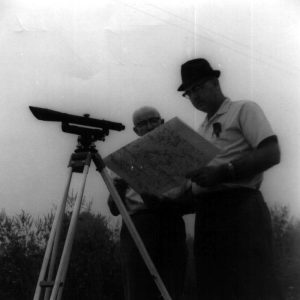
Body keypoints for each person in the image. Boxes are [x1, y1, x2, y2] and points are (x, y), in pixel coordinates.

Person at [177, 58, 283, 300]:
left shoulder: (244, 109)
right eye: (189, 93)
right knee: (214, 287)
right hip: (207, 216)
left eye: (198, 88)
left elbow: (271, 152)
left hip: (241, 210)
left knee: (254, 285)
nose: (194, 96)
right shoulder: (201, 131)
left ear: (215, 83)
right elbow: (199, 183)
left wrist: (224, 172)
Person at [107, 106, 193, 300]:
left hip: (171, 222)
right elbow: (113, 208)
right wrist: (121, 185)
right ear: (136, 130)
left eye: (153, 120)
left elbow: (191, 197)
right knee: (138, 287)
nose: (149, 126)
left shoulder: (181, 154)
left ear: (162, 122)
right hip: (138, 224)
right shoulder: (125, 158)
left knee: (172, 286)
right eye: (142, 124)